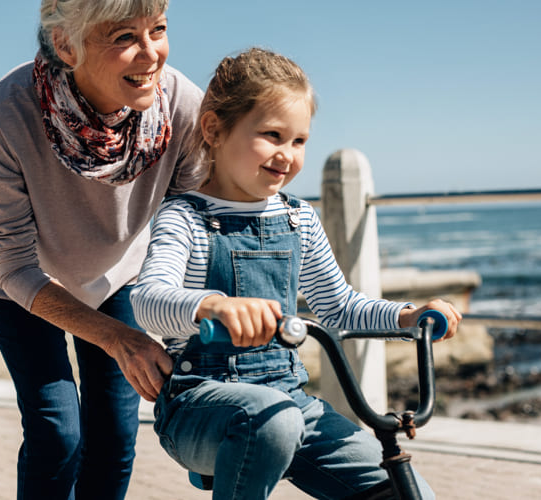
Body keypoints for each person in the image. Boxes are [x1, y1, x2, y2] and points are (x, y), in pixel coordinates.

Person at [130, 47, 463, 499]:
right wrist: (213, 306)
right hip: (199, 403)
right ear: (214, 129)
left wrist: (407, 317)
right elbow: (149, 301)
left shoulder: (298, 219)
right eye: (271, 135)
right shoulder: (184, 216)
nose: (286, 155)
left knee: (408, 492)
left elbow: (339, 306)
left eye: (299, 141)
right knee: (271, 422)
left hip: (291, 401)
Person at [0, 0, 205, 498]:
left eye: (157, 29)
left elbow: (190, 229)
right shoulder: (7, 114)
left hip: (118, 273)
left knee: (115, 433)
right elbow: (17, 268)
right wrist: (117, 339)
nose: (151, 53)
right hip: (20, 282)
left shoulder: (181, 106)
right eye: (123, 37)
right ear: (67, 45)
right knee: (57, 431)